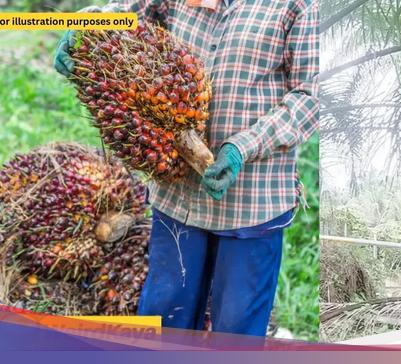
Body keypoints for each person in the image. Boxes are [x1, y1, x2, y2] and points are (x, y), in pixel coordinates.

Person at [54, 0, 319, 336]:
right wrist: (86, 27)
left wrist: (242, 147)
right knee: (165, 318)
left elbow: (310, 96)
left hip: (251, 201)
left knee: (235, 334)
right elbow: (130, 10)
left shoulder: (298, 6)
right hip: (178, 198)